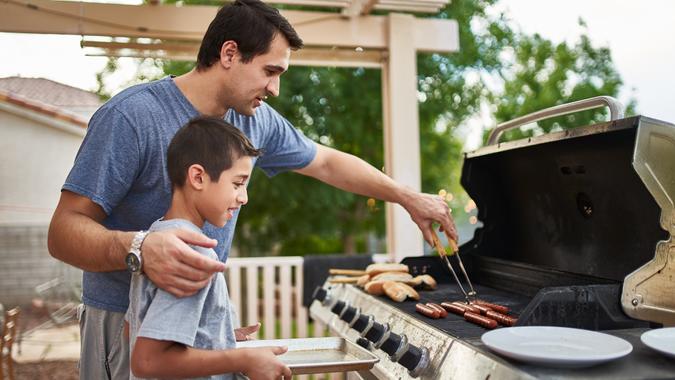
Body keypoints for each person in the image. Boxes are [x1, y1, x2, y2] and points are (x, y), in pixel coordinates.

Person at [47, 0, 457, 378]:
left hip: (193, 333)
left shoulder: (255, 121)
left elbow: (328, 162)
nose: (275, 88)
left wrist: (407, 197)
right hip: (123, 325)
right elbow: (63, 232)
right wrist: (139, 249)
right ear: (229, 54)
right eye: (269, 71)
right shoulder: (132, 117)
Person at [127, 116, 290, 380]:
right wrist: (243, 358)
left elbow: (132, 329)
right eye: (238, 183)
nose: (244, 197)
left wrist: (218, 336)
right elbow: (147, 360)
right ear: (198, 177)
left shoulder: (156, 237)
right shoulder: (192, 253)